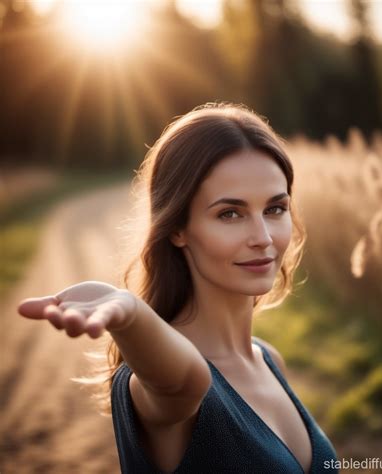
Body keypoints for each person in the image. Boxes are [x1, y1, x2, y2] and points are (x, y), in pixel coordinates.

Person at [17, 102, 339, 473]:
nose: (263, 238)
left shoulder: (269, 359)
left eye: (275, 209)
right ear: (177, 228)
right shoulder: (166, 385)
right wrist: (131, 315)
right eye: (229, 214)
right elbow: (184, 382)